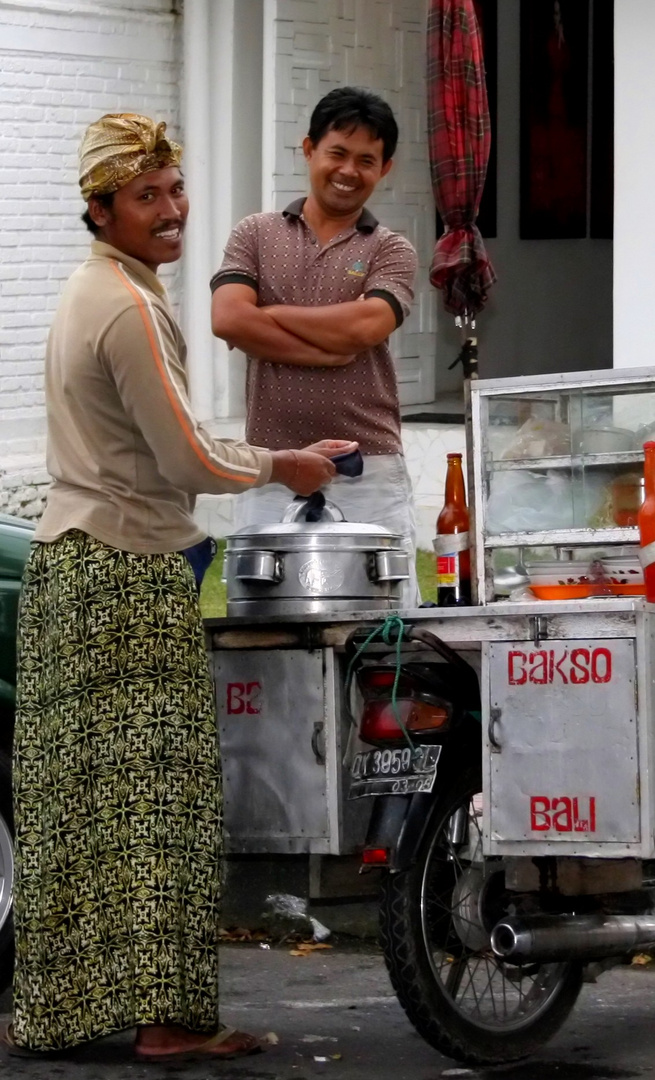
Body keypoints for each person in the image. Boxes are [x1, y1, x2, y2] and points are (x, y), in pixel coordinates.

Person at [2, 114, 355, 1062]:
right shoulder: (126, 304)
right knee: (164, 802)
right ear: (100, 207)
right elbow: (186, 455)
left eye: (174, 190)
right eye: (146, 196)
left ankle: (56, 1012)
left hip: (73, 568)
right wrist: (285, 465)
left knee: (76, 810)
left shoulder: (91, 291)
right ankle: (167, 1023)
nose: (172, 211)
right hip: (125, 575)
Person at [211, 87, 421, 604]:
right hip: (270, 468)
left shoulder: (391, 248)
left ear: (384, 168)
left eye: (366, 160)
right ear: (308, 150)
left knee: (387, 624)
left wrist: (274, 313)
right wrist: (329, 349)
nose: (349, 171)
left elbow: (365, 328)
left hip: (367, 467)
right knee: (264, 619)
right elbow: (228, 318)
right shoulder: (255, 233)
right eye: (338, 153)